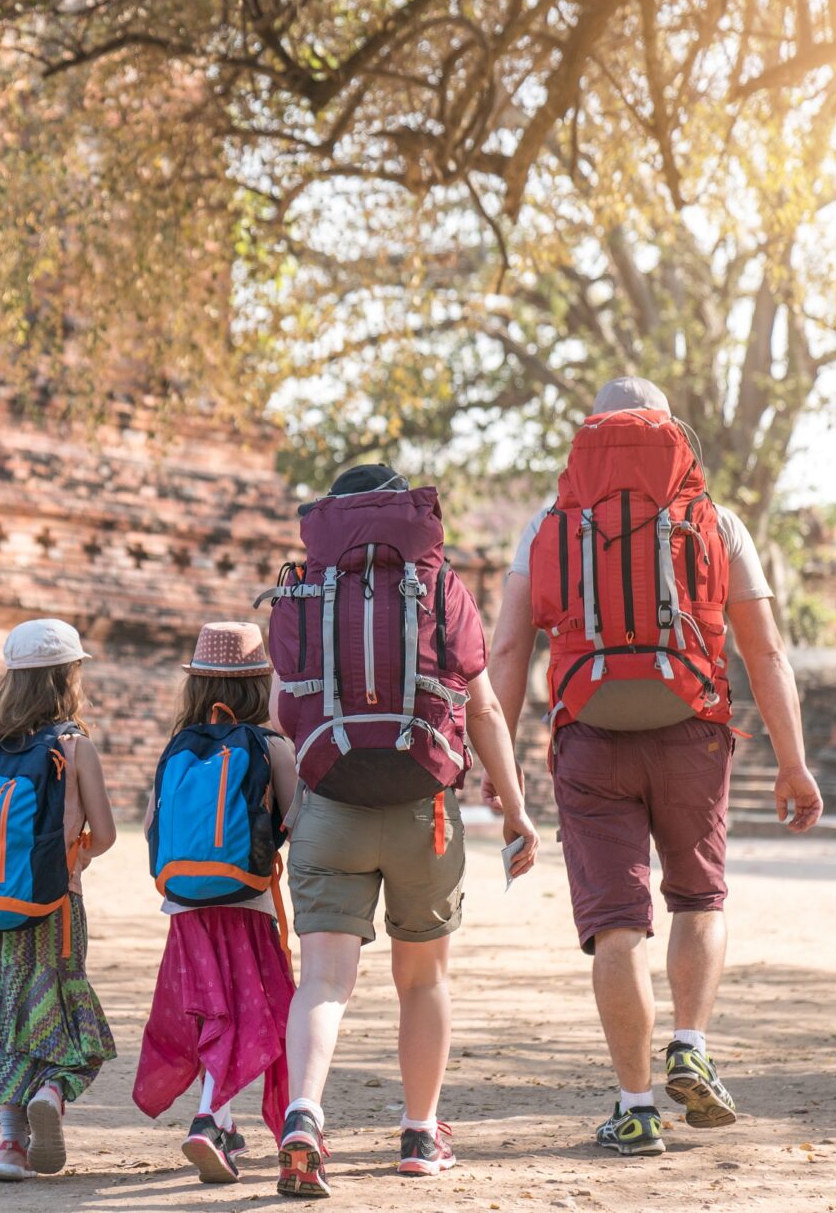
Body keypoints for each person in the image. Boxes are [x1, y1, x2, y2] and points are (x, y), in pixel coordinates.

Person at [486, 376, 823, 1158]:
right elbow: (765, 652)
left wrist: (499, 776)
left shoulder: (549, 524)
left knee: (616, 926)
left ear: (591, 431)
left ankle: (635, 1107)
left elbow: (506, 651)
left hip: (589, 739)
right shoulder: (714, 520)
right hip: (692, 734)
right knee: (699, 898)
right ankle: (692, 1041)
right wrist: (793, 763)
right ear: (673, 433)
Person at [261, 464, 539, 1198]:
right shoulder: (440, 584)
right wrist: (513, 805)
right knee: (424, 980)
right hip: (428, 806)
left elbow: (284, 712)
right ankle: (420, 1132)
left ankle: (302, 1118)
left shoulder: (304, 587)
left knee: (323, 979)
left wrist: (296, 803)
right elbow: (481, 711)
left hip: (329, 803)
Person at [0, 619, 117, 1182]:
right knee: (60, 1009)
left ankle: (9, 1145)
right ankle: (52, 1089)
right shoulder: (74, 746)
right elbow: (108, 833)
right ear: (68, 677)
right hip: (56, 905)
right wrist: (79, 853)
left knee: (2, 1016)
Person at [132, 622, 300, 1184]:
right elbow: (300, 820)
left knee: (213, 1012)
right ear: (261, 685)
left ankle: (222, 1123)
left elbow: (151, 827)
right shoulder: (270, 744)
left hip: (185, 906)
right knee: (258, 1012)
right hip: (248, 903)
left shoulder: (177, 748)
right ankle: (207, 1121)